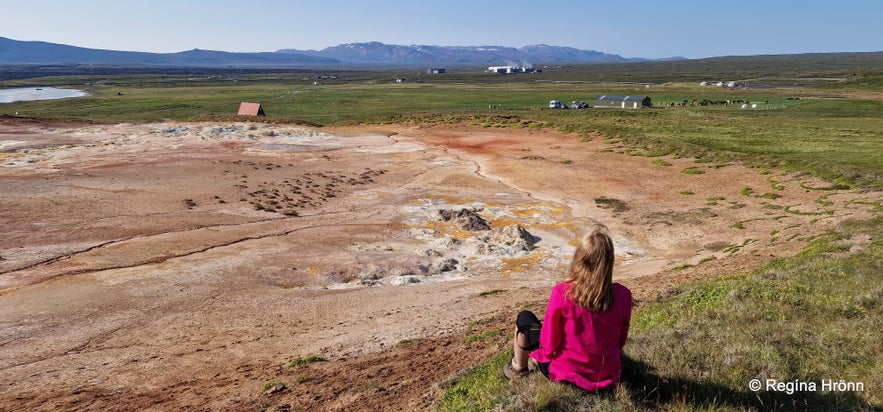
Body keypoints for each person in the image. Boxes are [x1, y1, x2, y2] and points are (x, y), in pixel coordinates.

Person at [503, 224, 632, 392]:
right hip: (607, 375)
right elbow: (621, 339)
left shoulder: (562, 293)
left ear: (579, 259)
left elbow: (549, 344)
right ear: (609, 262)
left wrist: (539, 356)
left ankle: (518, 369)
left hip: (566, 375)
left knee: (525, 318)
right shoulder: (623, 295)